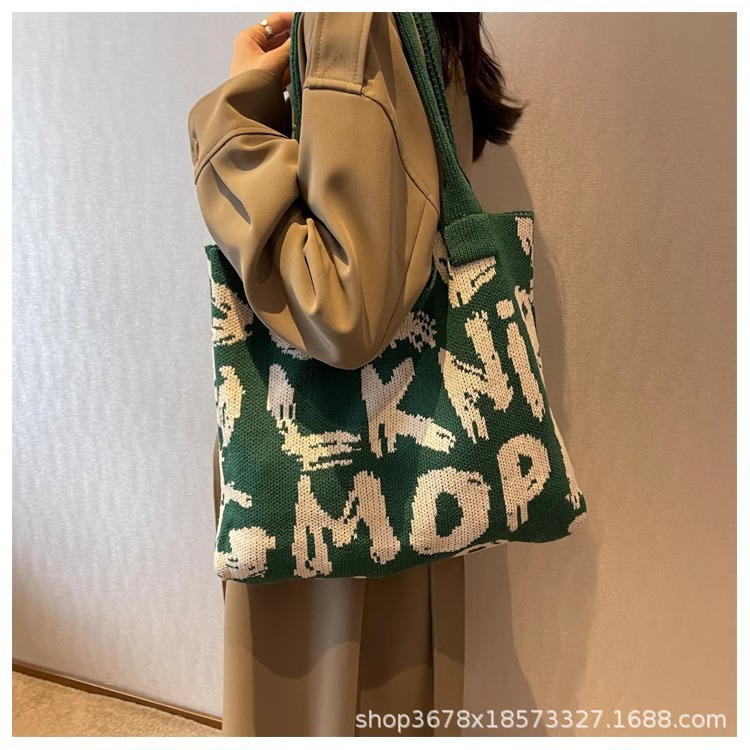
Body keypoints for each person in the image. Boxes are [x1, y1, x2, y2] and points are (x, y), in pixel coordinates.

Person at [187, 11, 525, 737]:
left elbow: (339, 312)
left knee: (310, 713)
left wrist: (236, 114)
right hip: (412, 475)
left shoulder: (353, 20)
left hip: (326, 498)